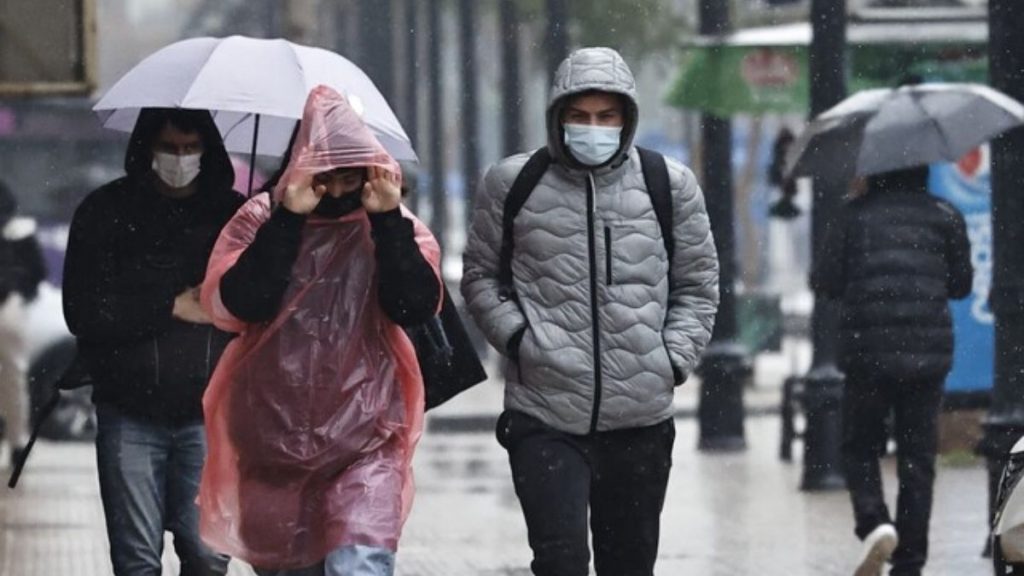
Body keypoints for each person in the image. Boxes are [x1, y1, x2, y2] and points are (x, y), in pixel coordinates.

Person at [461, 47, 720, 576]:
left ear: (627, 120)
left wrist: (669, 359)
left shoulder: (668, 185)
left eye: (606, 117)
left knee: (629, 566)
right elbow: (482, 277)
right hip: (545, 414)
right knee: (561, 561)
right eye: (580, 116)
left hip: (641, 420)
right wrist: (519, 342)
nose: (593, 128)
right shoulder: (514, 184)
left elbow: (698, 285)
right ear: (558, 117)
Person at [197, 85, 441, 576]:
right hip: (271, 441)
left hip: (366, 441)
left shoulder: (395, 223)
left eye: (353, 161)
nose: (341, 176)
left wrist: (388, 221)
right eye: (330, 161)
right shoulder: (262, 217)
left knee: (360, 564)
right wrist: (288, 218)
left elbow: (414, 305)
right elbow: (236, 304)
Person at [62, 108, 244, 575]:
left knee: (206, 554)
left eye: (189, 149)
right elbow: (84, 311)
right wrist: (168, 306)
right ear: (148, 148)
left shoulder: (232, 218)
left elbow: (256, 297)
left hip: (207, 413)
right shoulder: (105, 213)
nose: (179, 160)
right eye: (169, 148)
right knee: (136, 559)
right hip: (129, 412)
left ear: (207, 150)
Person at [812, 166, 973, 576]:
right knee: (918, 460)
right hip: (927, 356)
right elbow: (960, 285)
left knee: (860, 447)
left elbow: (826, 281)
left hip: (868, 355)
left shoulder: (853, 216)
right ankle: (910, 562)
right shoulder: (945, 214)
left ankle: (875, 522)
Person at [0, 180, 46, 466]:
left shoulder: (18, 232)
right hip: (11, 304)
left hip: (8, 306)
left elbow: (35, 272)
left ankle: (17, 439)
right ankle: (17, 440)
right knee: (14, 377)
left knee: (13, 376)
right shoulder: (19, 230)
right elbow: (36, 271)